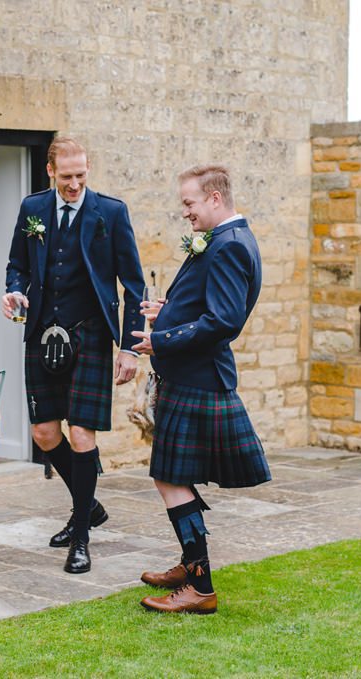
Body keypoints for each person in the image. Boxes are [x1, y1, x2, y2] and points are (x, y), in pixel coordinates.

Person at [1, 136, 148, 574]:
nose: (74, 184)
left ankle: (80, 534)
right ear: (51, 171)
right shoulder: (33, 209)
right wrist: (13, 292)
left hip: (91, 337)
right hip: (43, 334)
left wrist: (131, 348)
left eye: (81, 175)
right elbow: (17, 265)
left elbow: (134, 284)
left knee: (83, 435)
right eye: (66, 177)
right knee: (45, 434)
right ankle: (91, 506)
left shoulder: (111, 212)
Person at [131, 164, 270, 615]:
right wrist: (169, 309)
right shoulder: (227, 239)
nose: (185, 212)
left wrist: (161, 339)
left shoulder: (228, 245)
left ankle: (200, 586)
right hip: (193, 376)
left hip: (199, 378)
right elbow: (208, 304)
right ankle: (191, 566)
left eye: (189, 203)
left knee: (170, 476)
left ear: (214, 198)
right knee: (171, 474)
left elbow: (224, 321)